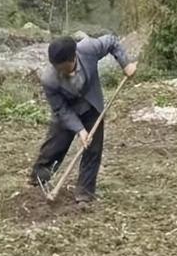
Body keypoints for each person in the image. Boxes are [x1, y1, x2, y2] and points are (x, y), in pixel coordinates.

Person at [30, 34, 137, 203]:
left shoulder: (88, 49)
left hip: (91, 105)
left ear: (73, 58)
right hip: (67, 111)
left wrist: (126, 64)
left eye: (62, 68)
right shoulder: (49, 78)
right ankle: (38, 182)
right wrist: (80, 131)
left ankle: (84, 193)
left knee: (92, 150)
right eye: (56, 68)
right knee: (55, 146)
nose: (59, 72)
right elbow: (61, 109)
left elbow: (112, 41)